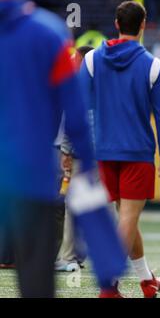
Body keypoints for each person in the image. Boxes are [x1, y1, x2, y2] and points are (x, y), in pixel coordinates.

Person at [0, 0, 125, 297]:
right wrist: (88, 168)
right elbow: (75, 113)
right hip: (32, 174)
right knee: (36, 282)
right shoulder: (48, 33)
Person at [79, 0, 160, 298]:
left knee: (124, 217)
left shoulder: (92, 59)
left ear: (117, 24)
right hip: (137, 153)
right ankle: (109, 286)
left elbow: (78, 106)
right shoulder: (154, 65)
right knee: (128, 218)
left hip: (101, 152)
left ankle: (147, 280)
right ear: (143, 25)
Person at [55, 46, 95, 273]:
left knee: (73, 206)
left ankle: (70, 256)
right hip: (103, 153)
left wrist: (66, 150)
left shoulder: (78, 84)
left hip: (82, 152)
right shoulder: (103, 83)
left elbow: (74, 119)